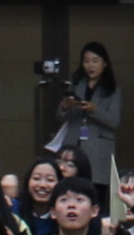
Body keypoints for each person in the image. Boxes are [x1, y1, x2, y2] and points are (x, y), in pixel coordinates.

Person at [51, 41, 122, 188]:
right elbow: (60, 117)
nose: (90, 66)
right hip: (73, 141)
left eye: (95, 61)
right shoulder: (76, 84)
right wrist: (65, 106)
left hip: (98, 146)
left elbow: (114, 121)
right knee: (69, 185)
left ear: (105, 63)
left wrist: (94, 109)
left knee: (97, 187)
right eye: (86, 61)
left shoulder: (112, 89)